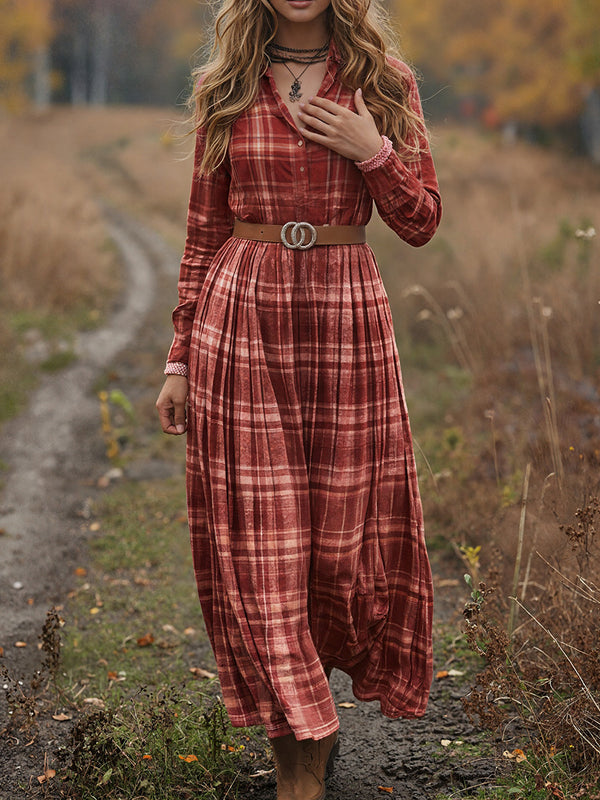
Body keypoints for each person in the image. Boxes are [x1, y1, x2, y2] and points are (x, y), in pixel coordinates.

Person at [156, 1, 442, 797]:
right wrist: (179, 357)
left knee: (337, 550)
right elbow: (202, 232)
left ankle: (314, 725)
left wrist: (373, 150)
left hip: (347, 320)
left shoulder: (387, 81)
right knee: (267, 550)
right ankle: (300, 776)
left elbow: (419, 221)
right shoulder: (228, 83)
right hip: (242, 317)